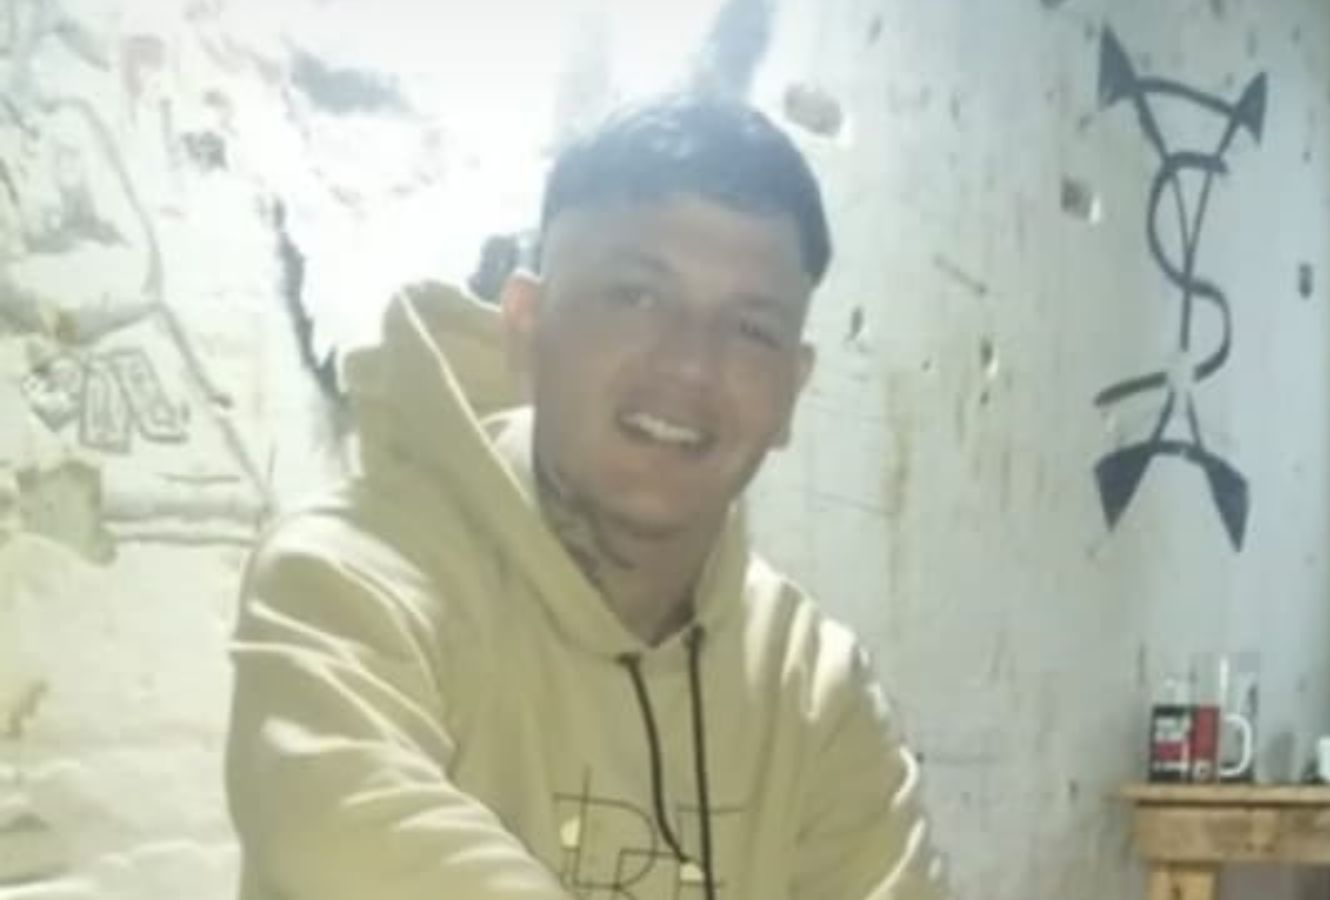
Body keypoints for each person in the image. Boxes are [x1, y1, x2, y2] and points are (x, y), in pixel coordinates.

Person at [225, 93, 947, 900]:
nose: (690, 366)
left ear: (791, 391)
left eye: (751, 329)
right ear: (526, 325)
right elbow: (349, 850)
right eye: (636, 296)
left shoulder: (815, 690)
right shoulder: (346, 584)